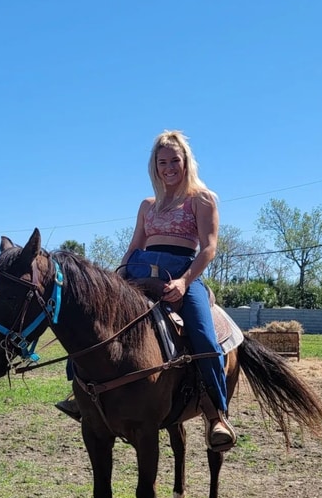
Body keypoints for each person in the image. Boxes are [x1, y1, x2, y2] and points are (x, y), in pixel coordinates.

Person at [57, 129, 235, 452]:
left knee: (204, 336)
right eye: (162, 161)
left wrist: (184, 282)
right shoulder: (147, 205)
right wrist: (116, 277)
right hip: (140, 273)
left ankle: (217, 414)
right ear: (154, 165)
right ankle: (78, 392)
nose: (169, 167)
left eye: (175, 161)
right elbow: (134, 246)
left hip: (182, 274)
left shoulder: (202, 199)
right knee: (91, 323)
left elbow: (208, 249)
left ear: (186, 162)